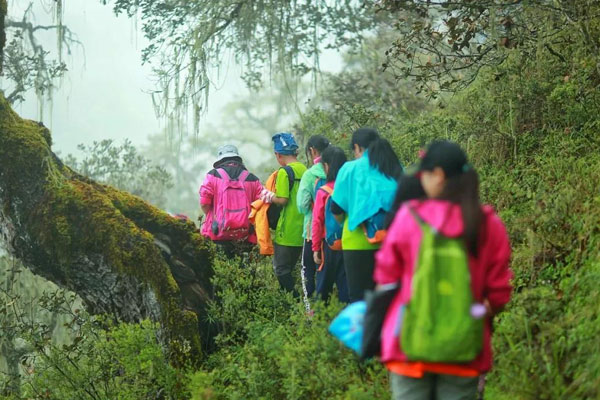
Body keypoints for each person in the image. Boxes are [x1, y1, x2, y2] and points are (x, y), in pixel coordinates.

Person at [374, 140, 513, 400]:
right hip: (463, 351)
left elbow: (386, 279)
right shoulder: (487, 223)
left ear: (438, 176)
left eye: (424, 174)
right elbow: (498, 296)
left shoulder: (409, 217)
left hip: (410, 347)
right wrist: (472, 312)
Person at [330, 128, 402, 302]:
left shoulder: (349, 169)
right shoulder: (393, 165)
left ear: (357, 147)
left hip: (357, 244)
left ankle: (365, 330)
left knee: (360, 301)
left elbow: (336, 209)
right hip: (392, 242)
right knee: (390, 301)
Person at [260, 132, 307, 295]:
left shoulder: (284, 172)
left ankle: (295, 302)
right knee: (301, 270)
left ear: (278, 154)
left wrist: (270, 196)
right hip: (305, 229)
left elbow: (283, 200)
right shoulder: (305, 169)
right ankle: (305, 302)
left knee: (281, 270)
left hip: (287, 231)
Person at [199, 144, 263, 259]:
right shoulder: (253, 179)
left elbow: (204, 203)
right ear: (238, 159)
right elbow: (261, 207)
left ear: (220, 160)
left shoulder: (212, 175)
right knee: (245, 273)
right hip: (245, 237)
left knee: (216, 272)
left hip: (216, 235)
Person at [311, 145, 349, 303]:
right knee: (346, 286)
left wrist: (315, 249)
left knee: (322, 286)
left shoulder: (324, 191)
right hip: (349, 242)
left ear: (326, 166)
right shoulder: (350, 187)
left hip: (329, 244)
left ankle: (318, 322)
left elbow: (317, 222)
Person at [296, 135, 330, 302]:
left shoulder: (310, 175)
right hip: (333, 230)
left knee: (308, 269)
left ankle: (311, 311)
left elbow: (302, 205)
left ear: (312, 150)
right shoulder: (338, 170)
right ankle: (329, 308)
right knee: (326, 271)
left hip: (312, 230)